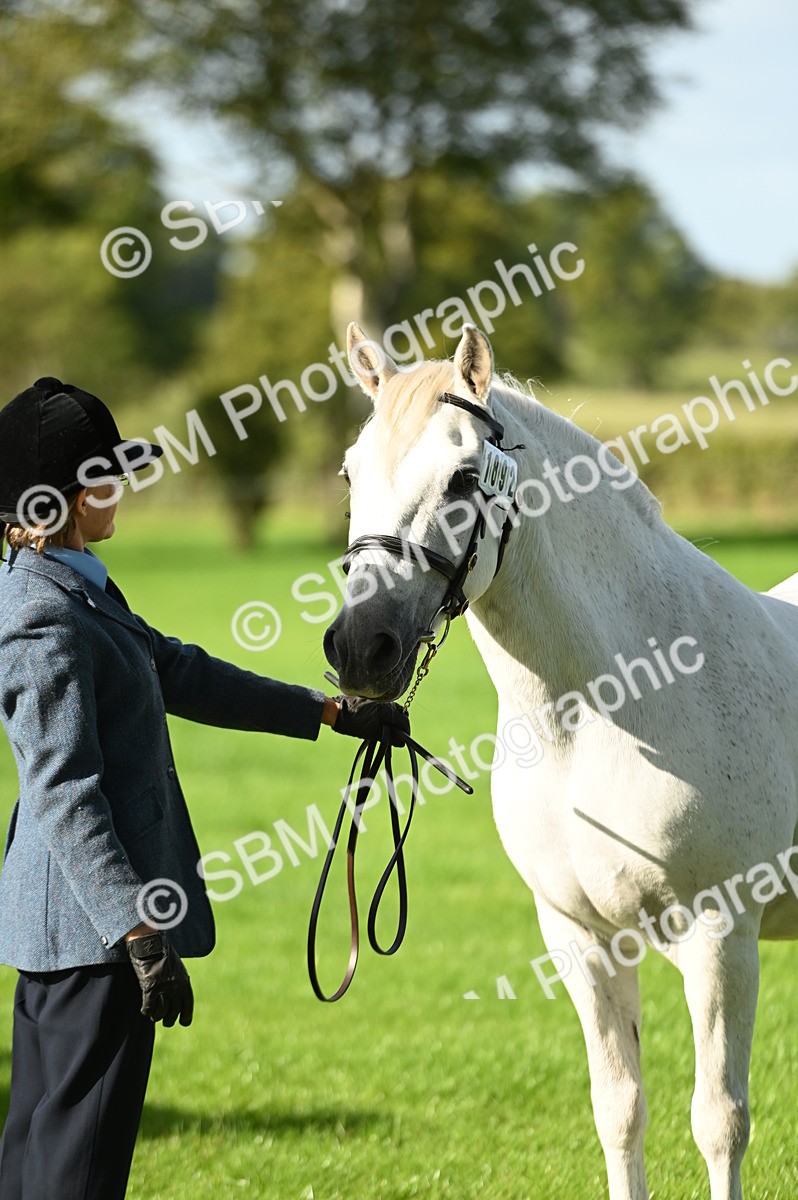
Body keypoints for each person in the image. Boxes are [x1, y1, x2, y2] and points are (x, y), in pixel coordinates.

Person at [0, 376, 409, 1200]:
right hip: (93, 931)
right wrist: (138, 932)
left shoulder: (73, 582)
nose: (120, 492)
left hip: (78, 928)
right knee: (76, 1160)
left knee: (43, 1145)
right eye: (102, 481)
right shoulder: (42, 614)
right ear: (53, 507)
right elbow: (65, 790)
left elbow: (177, 668)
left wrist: (327, 711)